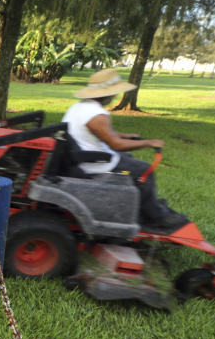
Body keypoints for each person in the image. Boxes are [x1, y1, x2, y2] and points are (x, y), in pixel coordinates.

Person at [62, 68, 189, 232]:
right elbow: (116, 145)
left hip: (84, 156)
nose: (114, 96)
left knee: (128, 159)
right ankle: (157, 217)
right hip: (94, 163)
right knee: (144, 171)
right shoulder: (97, 115)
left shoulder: (79, 107)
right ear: (106, 94)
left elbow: (101, 134)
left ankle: (145, 204)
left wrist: (125, 135)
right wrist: (150, 143)